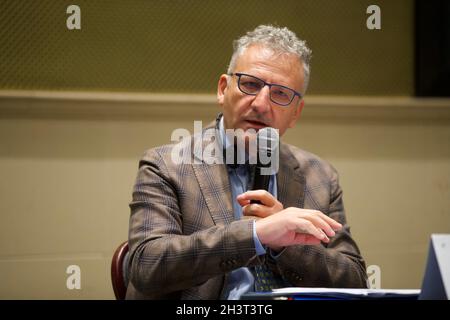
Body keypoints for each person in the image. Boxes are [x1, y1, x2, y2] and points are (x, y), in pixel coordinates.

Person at [126, 25, 368, 300]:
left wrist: (284, 244)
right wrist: (255, 233)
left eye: (280, 94)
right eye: (251, 84)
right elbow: (147, 265)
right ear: (222, 89)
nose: (262, 104)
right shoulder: (166, 165)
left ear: (295, 113)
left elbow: (356, 281)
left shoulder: (320, 177)